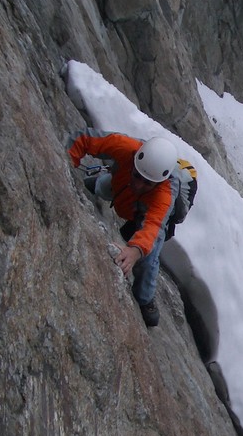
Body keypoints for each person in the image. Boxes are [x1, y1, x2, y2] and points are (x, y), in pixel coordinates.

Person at [67, 130, 177, 327]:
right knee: (104, 186)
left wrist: (135, 250)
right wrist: (66, 162)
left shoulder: (164, 195)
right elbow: (85, 140)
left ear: (159, 183)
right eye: (138, 175)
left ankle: (145, 298)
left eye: (147, 183)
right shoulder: (125, 147)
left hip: (141, 208)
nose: (140, 183)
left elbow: (153, 227)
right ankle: (100, 184)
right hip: (121, 188)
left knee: (149, 257)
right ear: (136, 159)